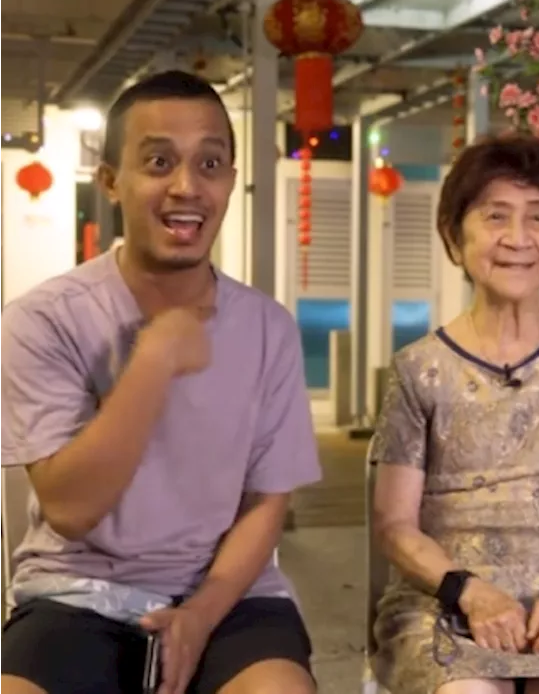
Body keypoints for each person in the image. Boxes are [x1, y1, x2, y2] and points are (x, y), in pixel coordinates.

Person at [0, 70, 321, 694]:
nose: (187, 187)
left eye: (210, 163)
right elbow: (68, 509)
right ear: (113, 183)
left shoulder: (268, 329)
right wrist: (154, 362)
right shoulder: (44, 320)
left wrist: (200, 616)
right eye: (158, 161)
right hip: (76, 594)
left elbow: (266, 503)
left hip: (230, 596)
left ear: (231, 180)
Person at [370, 134, 539, 694]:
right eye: (496, 217)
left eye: (538, 219)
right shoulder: (418, 369)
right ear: (455, 235)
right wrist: (468, 592)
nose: (518, 239)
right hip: (445, 608)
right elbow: (394, 525)